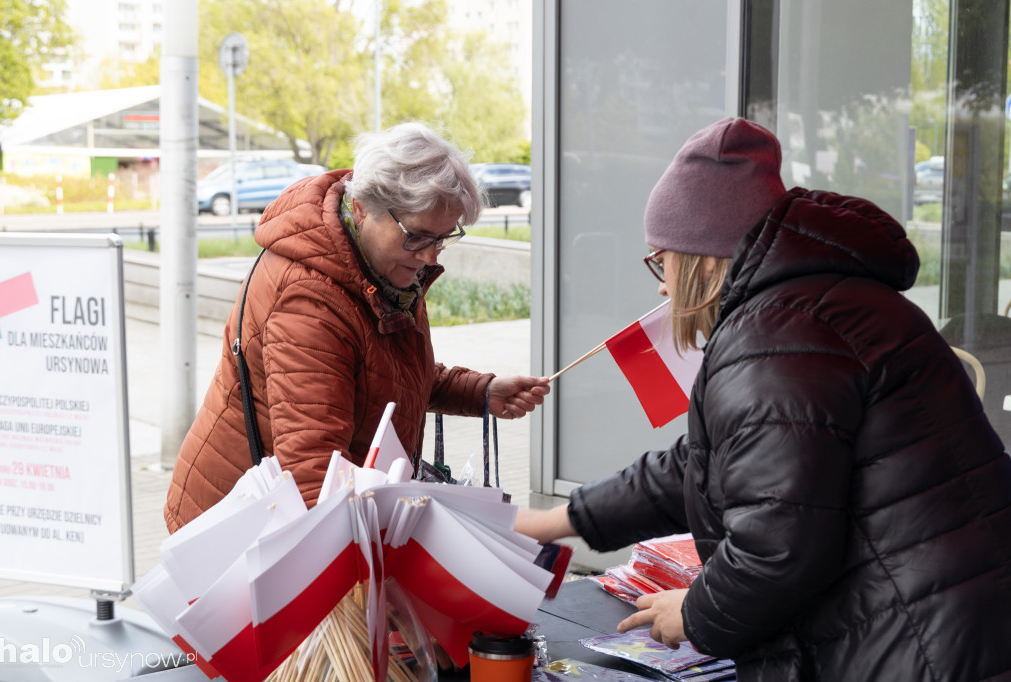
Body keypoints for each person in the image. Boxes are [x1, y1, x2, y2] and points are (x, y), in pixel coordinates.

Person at [516, 117, 1011, 680]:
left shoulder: (775, 335)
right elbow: (704, 465)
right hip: (953, 617)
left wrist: (695, 614)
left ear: (702, 258)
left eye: (663, 260)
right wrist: (559, 520)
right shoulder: (824, 303)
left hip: (918, 641)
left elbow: (777, 548)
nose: (660, 285)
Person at [165, 122, 549, 532]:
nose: (431, 257)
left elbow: (383, 375)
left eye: (444, 238)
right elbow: (315, 476)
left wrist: (480, 393)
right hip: (237, 533)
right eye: (418, 237)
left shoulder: (383, 270)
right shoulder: (308, 300)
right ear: (364, 208)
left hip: (296, 516)